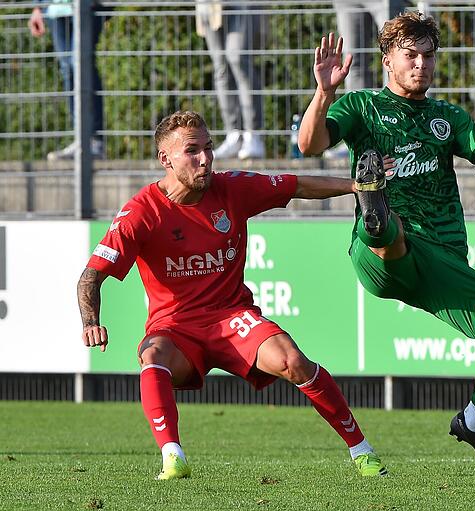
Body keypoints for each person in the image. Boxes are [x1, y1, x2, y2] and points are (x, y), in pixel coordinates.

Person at [76, 110, 387, 479]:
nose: (206, 158)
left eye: (209, 148)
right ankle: (173, 457)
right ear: (166, 159)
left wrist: (356, 187)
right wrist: (91, 321)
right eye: (192, 151)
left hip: (231, 317)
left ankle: (362, 451)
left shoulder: (232, 188)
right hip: (177, 327)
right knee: (151, 355)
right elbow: (91, 276)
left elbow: (297, 184)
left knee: (293, 361)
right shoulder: (140, 212)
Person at [298, 13, 475, 476]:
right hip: (381, 255)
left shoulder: (449, 117)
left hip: (442, 258)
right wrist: (325, 92)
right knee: (387, 225)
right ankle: (375, 207)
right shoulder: (362, 107)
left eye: (428, 56)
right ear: (388, 59)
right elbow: (310, 145)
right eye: (410, 56)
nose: (421, 65)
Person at [28, 0, 106, 160]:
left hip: (87, 6)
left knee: (81, 66)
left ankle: (95, 140)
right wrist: (38, 7)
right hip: (56, 9)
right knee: (68, 70)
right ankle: (80, 139)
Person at [195, 1, 265, 159]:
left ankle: (253, 135)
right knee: (221, 67)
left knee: (238, 58)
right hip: (209, 5)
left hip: (239, 4)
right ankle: (233, 135)